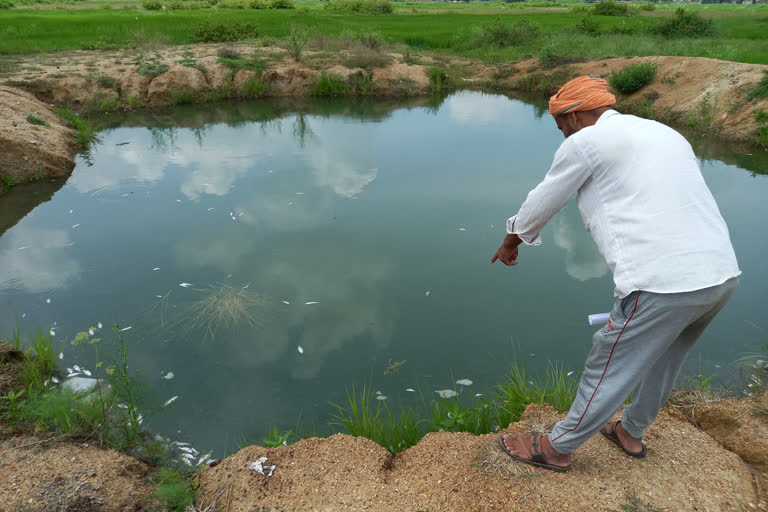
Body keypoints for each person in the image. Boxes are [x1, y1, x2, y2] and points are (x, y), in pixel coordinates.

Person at [491, 76, 741, 472]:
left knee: (608, 358)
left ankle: (556, 447)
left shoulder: (586, 142)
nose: (563, 135)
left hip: (662, 282)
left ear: (573, 117)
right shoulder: (663, 132)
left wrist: (511, 240)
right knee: (665, 358)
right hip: (720, 274)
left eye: (560, 127)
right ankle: (630, 431)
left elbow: (545, 198)